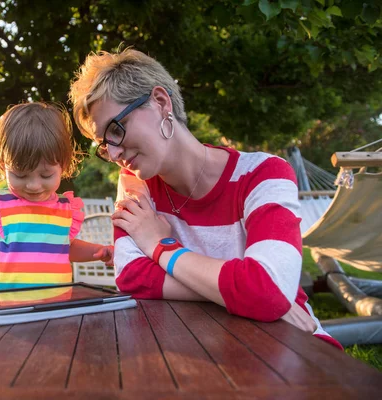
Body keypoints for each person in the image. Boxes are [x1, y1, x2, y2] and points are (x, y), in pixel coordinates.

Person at [68, 48, 342, 349]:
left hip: (296, 350)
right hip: (207, 349)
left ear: (160, 103)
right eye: (104, 146)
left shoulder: (264, 174)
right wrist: (250, 295)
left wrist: (160, 247)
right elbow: (132, 277)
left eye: (115, 130)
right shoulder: (136, 186)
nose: (115, 153)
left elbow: (267, 290)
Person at [0, 102, 114, 318]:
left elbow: (64, 248)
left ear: (63, 165)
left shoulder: (65, 209)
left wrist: (97, 251)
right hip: (4, 312)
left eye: (45, 175)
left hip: (55, 312)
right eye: (20, 175)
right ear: (2, 164)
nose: (33, 185)